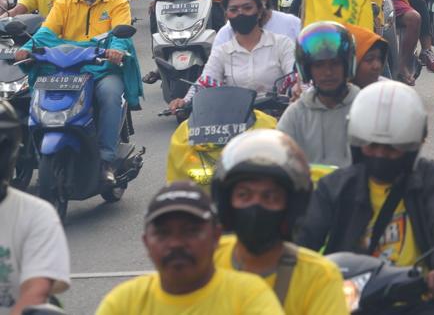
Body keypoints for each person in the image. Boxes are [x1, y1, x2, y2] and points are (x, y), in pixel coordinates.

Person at [298, 80, 434, 315]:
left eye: (392, 149)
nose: (380, 154)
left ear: (412, 145)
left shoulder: (432, 179)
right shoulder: (336, 186)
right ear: (358, 143)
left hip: (420, 299)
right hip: (349, 299)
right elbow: (305, 235)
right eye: (372, 146)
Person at [16, 0, 138, 185]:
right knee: (34, 95)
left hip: (101, 67)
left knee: (110, 95)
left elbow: (121, 33)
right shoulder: (63, 3)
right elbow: (45, 33)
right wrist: (28, 48)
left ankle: (106, 160)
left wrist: (116, 49)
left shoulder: (117, 3)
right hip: (66, 69)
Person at [211, 130, 346, 315]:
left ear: (290, 209)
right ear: (227, 204)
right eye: (244, 195)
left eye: (270, 197)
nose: (255, 207)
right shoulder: (206, 259)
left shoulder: (319, 277)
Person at [96, 181, 284, 314]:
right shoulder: (123, 304)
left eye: (190, 231)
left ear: (216, 237)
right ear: (146, 243)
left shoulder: (248, 296)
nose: (176, 243)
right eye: (163, 233)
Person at [169, 0, 297, 112]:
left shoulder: (282, 44)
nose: (240, 13)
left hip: (276, 122)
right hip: (235, 121)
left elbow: (296, 78)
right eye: (234, 10)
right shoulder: (222, 52)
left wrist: (298, 89)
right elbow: (205, 83)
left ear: (259, 11)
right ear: (226, 15)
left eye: (247, 8)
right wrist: (184, 101)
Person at [0, 100, 70, 311]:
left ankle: (107, 156)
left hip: (77, 90)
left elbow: (36, 291)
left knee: (109, 96)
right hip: (46, 87)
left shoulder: (35, 215)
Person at [277, 22, 361, 168]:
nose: (328, 72)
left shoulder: (364, 107)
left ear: (347, 65)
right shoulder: (297, 113)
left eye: (334, 64)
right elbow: (280, 158)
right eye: (319, 65)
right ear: (307, 70)